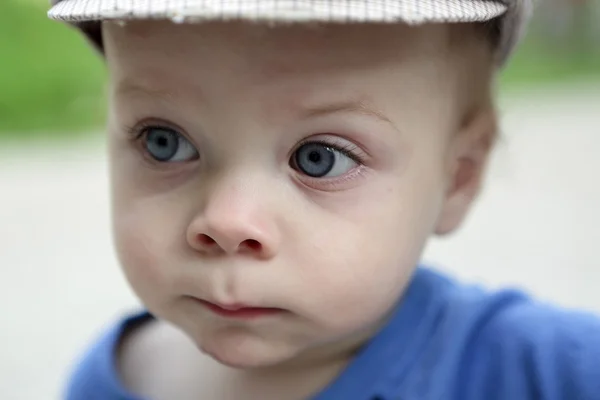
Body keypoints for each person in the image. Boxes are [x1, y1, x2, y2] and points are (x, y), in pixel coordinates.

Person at [47, 1, 600, 399]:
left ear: (457, 177)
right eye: (163, 142)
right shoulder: (105, 381)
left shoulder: (545, 372)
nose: (226, 220)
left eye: (320, 157)